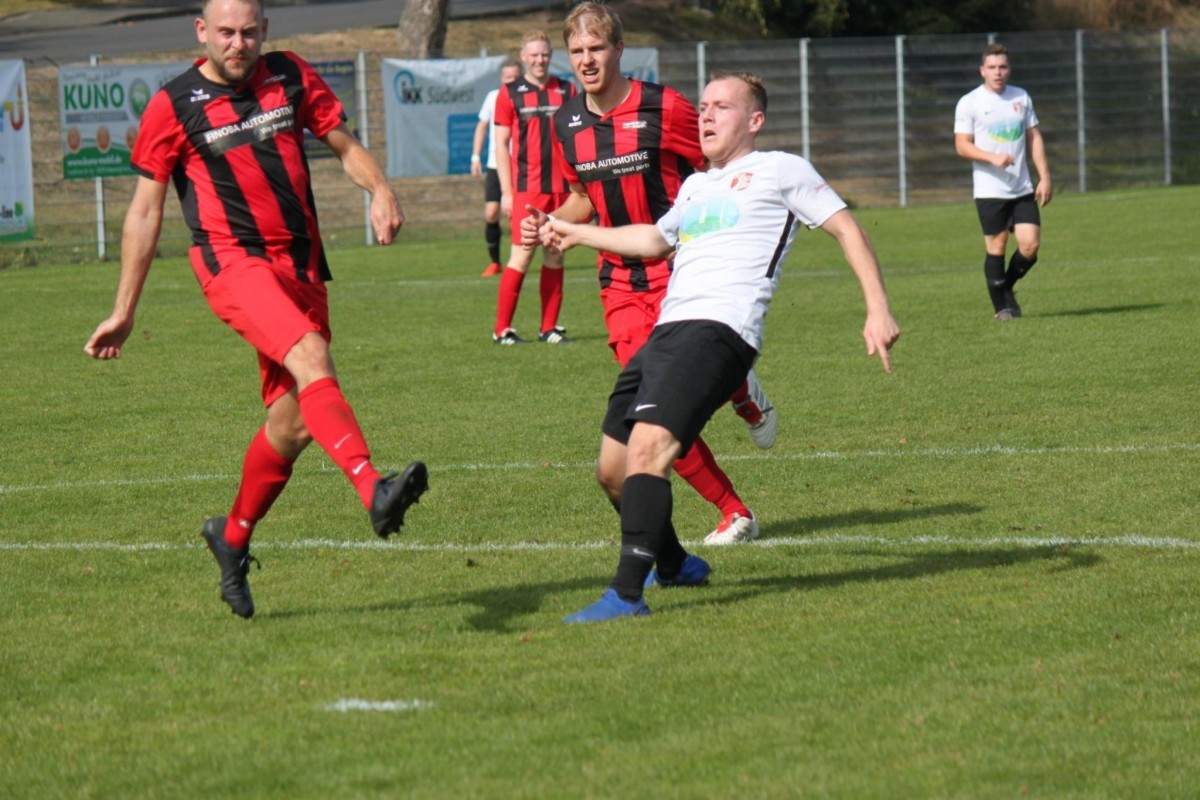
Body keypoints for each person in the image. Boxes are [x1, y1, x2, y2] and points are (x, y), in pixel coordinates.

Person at [83, 0, 428, 619]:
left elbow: (344, 145)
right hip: (233, 264)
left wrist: (380, 189)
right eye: (225, 34)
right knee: (310, 355)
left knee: (294, 423)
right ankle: (373, 488)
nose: (237, 44)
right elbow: (143, 210)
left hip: (302, 267)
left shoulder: (289, 74)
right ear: (201, 34)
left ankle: (233, 535)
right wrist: (124, 309)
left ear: (264, 31)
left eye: (248, 33)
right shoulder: (174, 104)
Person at [532, 71, 900, 622]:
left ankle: (627, 596)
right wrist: (577, 231)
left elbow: (848, 229)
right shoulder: (696, 186)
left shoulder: (781, 170)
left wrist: (878, 307)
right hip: (668, 331)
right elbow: (655, 240)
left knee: (648, 451)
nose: (704, 115)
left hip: (721, 330)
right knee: (612, 472)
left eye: (721, 107)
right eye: (702, 106)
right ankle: (675, 562)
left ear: (754, 121)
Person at [527, 0, 772, 545]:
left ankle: (740, 386)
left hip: (684, 275)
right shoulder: (566, 122)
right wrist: (551, 224)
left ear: (619, 49)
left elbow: (722, 161)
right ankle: (735, 511)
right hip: (619, 286)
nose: (586, 60)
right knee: (651, 411)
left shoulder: (667, 108)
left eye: (596, 48)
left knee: (667, 399)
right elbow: (581, 199)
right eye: (577, 52)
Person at [954, 43, 1052, 321]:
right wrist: (991, 157)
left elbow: (1034, 138)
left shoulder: (1020, 97)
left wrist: (1044, 176)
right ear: (982, 70)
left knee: (1030, 247)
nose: (998, 72)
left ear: (1009, 69)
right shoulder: (969, 102)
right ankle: (1002, 309)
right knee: (996, 247)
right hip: (989, 189)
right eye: (993, 68)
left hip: (1022, 188)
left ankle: (1005, 287)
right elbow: (962, 146)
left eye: (1003, 67)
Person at [491, 30, 577, 344]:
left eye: (545, 54)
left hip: (564, 189)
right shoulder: (509, 93)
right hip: (528, 188)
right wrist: (506, 191)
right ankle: (502, 329)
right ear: (524, 56)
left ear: (551, 55)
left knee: (555, 255)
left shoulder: (567, 89)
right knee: (522, 256)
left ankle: (548, 328)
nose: (540, 60)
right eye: (534, 55)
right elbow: (501, 145)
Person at [471, 60, 522, 277]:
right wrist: (475, 157)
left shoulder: (526, 98)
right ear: (502, 79)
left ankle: (517, 262)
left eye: (515, 77)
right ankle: (495, 262)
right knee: (492, 212)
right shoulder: (493, 97)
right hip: (495, 164)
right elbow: (482, 125)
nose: (511, 81)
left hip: (520, 165)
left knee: (517, 216)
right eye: (507, 77)